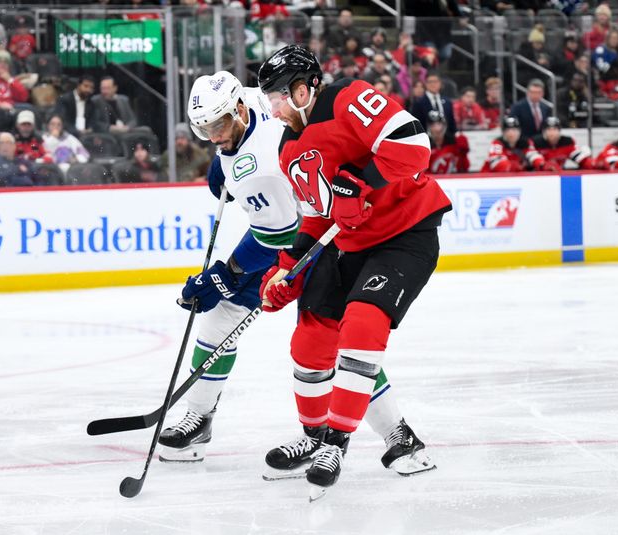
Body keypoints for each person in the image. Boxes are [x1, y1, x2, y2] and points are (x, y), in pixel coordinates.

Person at [159, 70, 437, 482]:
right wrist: (225, 157)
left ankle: (387, 434)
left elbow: (280, 233)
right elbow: (261, 109)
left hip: (307, 239)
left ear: (237, 110)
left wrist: (227, 273)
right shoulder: (257, 101)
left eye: (218, 127)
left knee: (331, 336)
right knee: (318, 340)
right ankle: (208, 420)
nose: (212, 135)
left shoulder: (266, 169)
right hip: (312, 227)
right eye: (204, 129)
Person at [258, 45, 448, 499]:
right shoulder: (289, 149)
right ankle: (314, 436)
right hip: (351, 244)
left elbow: (413, 145)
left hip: (406, 232)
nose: (275, 109)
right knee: (310, 339)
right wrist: (287, 270)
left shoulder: (349, 98)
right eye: (269, 101)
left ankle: (337, 443)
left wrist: (360, 182)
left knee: (362, 322)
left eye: (280, 97)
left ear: (304, 89)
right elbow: (318, 214)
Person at [481, 116, 545, 172]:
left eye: (514, 130)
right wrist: (511, 166)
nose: (511, 134)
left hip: (515, 176)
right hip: (491, 178)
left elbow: (533, 155)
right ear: (503, 133)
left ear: (519, 132)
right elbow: (495, 162)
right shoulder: (497, 143)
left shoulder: (525, 143)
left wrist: (541, 164)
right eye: (508, 130)